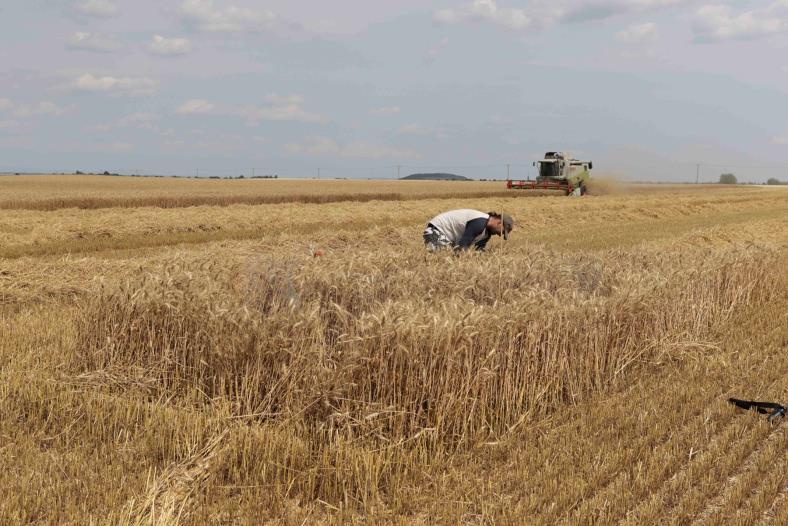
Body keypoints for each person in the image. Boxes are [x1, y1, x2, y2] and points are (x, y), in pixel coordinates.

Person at [423, 209, 514, 252]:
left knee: (447, 259)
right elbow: (462, 248)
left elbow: (478, 251)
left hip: (449, 237)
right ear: (499, 222)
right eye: (502, 231)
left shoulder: (486, 234)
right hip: (437, 230)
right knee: (440, 259)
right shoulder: (479, 223)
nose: (499, 235)